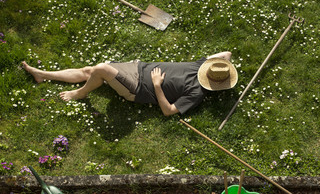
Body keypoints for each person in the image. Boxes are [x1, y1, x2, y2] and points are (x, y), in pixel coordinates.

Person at [22, 51, 238, 116]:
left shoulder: (196, 93)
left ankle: (81, 93)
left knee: (100, 69)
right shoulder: (200, 66)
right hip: (136, 68)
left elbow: (169, 111)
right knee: (90, 71)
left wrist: (156, 85)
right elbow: (226, 53)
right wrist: (222, 67)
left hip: (138, 89)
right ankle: (42, 74)